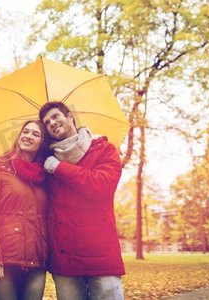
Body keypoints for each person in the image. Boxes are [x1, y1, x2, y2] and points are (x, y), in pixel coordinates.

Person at [39, 101, 125, 300]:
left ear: (70, 116)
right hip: (64, 258)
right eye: (46, 122)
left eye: (56, 116)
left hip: (100, 254)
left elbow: (102, 186)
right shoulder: (45, 160)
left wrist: (59, 168)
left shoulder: (104, 150)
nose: (52, 123)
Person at [0, 120, 50, 300]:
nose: (28, 136)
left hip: (37, 261)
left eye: (36, 134)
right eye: (26, 131)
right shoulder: (0, 166)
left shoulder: (45, 176)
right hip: (5, 260)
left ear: (43, 143)